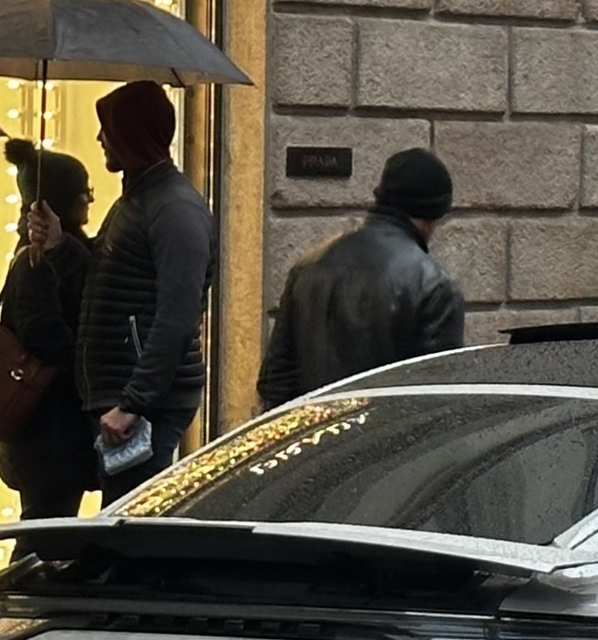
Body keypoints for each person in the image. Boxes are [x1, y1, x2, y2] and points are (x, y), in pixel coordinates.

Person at [75, 80, 217, 501]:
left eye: (109, 129)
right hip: (126, 394)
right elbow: (116, 275)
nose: (101, 138)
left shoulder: (174, 210)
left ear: (132, 133)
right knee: (121, 519)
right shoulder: (139, 199)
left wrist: (134, 403)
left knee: (129, 522)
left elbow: (177, 318)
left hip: (145, 400)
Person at [257, 148, 465, 408]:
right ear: (433, 216)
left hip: (313, 441)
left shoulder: (310, 265)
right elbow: (435, 401)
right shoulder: (433, 285)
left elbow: (275, 381)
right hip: (385, 443)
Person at [0, 139, 100, 519]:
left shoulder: (60, 252)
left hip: (49, 431)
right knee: (44, 533)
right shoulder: (37, 261)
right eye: (84, 192)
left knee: (49, 528)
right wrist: (88, 361)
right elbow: (42, 333)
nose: (89, 200)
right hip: (48, 431)